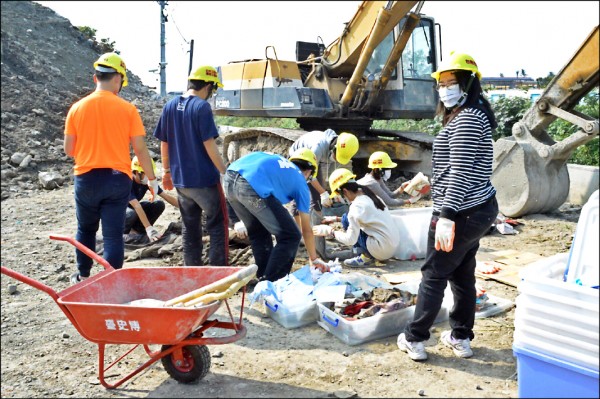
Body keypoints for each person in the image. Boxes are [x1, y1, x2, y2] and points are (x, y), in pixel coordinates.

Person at [396, 51, 499, 361]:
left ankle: (415, 338)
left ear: (468, 84)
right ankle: (461, 336)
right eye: (441, 83)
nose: (445, 89)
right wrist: (430, 184)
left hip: (462, 212)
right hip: (475, 207)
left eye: (451, 82)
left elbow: (462, 171)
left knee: (434, 275)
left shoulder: (467, 118)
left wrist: (446, 216)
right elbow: (456, 166)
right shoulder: (469, 114)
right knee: (462, 274)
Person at [64, 52, 158, 285]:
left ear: (96, 78)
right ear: (118, 79)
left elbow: (69, 150)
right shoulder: (127, 110)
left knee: (85, 230)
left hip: (86, 178)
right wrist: (153, 179)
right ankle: (110, 280)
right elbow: (140, 150)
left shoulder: (76, 108)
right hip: (117, 180)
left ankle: (82, 276)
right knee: (113, 235)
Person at [153, 65, 229, 266]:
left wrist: (166, 171)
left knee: (190, 226)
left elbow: (164, 141)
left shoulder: (169, 106)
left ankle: (192, 269)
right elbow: (209, 144)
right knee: (217, 225)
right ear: (208, 86)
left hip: (181, 182)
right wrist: (224, 171)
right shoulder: (201, 107)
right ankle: (217, 273)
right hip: (203, 180)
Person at [223, 150, 328, 282]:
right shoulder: (301, 182)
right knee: (291, 235)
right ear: (308, 173)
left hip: (229, 180)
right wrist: (313, 258)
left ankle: (263, 279)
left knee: (259, 233)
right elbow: (306, 229)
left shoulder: (279, 163)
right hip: (250, 186)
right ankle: (274, 282)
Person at [288, 129, 359, 259]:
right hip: (301, 158)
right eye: (337, 156)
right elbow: (310, 177)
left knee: (317, 196)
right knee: (304, 193)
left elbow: (338, 174)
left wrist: (335, 192)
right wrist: (323, 193)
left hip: (315, 160)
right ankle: (300, 234)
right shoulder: (318, 147)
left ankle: (313, 232)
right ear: (334, 147)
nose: (337, 159)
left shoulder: (340, 149)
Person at [312, 168, 400, 268]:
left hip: (381, 249)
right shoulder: (371, 196)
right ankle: (364, 253)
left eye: (340, 195)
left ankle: (364, 257)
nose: (340, 199)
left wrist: (330, 231)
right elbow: (365, 218)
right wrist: (336, 219)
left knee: (347, 220)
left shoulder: (356, 206)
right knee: (346, 218)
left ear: (344, 191)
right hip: (392, 246)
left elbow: (350, 239)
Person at [123, 156, 179, 244]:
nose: (149, 176)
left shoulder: (146, 181)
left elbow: (165, 195)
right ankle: (123, 234)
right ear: (138, 172)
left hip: (132, 209)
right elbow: (136, 206)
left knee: (159, 205)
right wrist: (149, 228)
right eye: (146, 173)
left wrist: (185, 208)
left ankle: (137, 231)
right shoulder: (126, 181)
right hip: (118, 213)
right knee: (131, 213)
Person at [356, 151, 425, 208]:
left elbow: (390, 195)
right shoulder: (371, 182)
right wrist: (409, 201)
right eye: (387, 168)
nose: (389, 170)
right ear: (380, 169)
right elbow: (389, 202)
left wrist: (402, 187)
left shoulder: (377, 179)